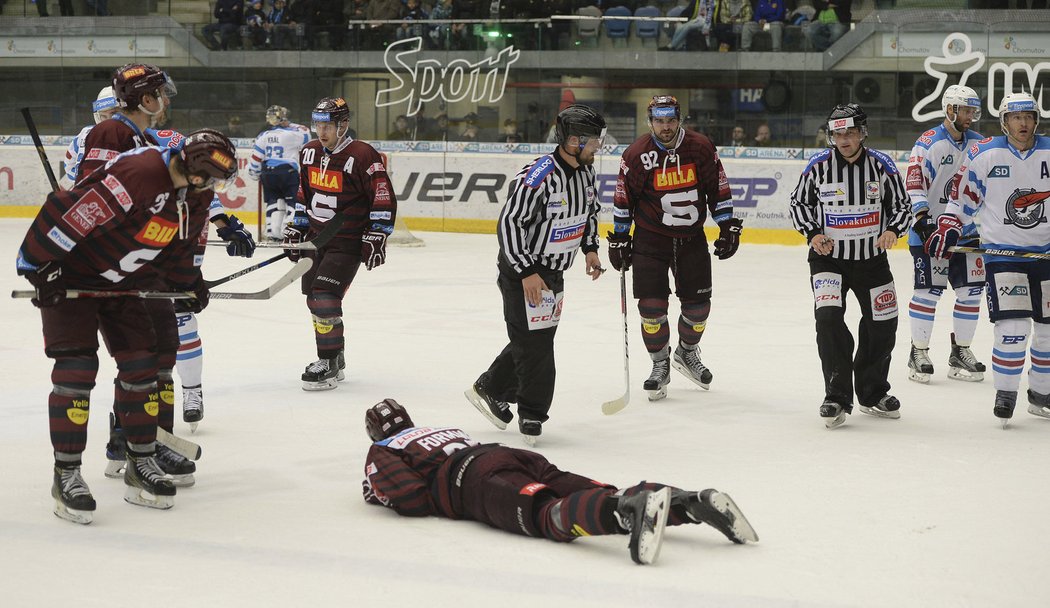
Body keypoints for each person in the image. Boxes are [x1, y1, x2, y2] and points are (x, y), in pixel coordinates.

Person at [15, 129, 239, 524]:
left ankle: (141, 462)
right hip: (73, 276)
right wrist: (39, 266)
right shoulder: (139, 173)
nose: (217, 187)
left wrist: (187, 284)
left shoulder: (196, 196)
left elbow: (178, 248)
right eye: (216, 179)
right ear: (200, 173)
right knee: (76, 372)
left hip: (126, 285)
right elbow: (72, 211)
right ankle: (66, 475)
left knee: (142, 368)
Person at [362, 399, 758, 565]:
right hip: (513, 455)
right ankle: (690, 501)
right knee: (596, 490)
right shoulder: (439, 428)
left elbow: (410, 497)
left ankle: (624, 513)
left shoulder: (383, 448)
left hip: (475, 479)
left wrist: (380, 493)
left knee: (544, 514)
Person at [464, 104, 606, 445]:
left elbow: (589, 211)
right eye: (594, 142)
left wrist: (589, 248)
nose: (598, 147)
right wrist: (526, 272)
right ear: (573, 141)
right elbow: (510, 224)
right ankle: (532, 413)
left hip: (555, 272)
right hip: (522, 270)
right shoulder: (538, 177)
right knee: (536, 345)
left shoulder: (585, 173)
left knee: (535, 340)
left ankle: (491, 387)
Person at [927, 92, 1050, 428]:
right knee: (1013, 329)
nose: (1024, 124)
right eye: (1016, 118)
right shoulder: (984, 153)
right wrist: (950, 227)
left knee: (1048, 333)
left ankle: (1041, 395)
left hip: (1046, 256)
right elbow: (961, 200)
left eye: (1029, 117)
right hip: (1004, 258)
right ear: (1004, 122)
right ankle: (1006, 393)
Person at [607, 96, 741, 401]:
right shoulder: (637, 154)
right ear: (650, 121)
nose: (665, 127)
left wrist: (726, 225)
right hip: (650, 241)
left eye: (670, 120)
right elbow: (623, 199)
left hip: (691, 239)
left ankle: (686, 353)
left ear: (679, 119)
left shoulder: (700, 147)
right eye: (659, 121)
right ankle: (659, 365)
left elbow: (717, 188)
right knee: (652, 311)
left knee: (698, 310)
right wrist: (619, 237)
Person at [789, 103, 912, 429]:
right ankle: (836, 396)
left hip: (872, 261)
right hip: (828, 260)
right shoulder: (817, 167)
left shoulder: (882, 166)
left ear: (862, 133)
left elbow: (902, 206)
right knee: (828, 318)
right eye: (838, 134)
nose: (844, 140)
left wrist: (891, 230)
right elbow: (798, 204)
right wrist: (814, 233)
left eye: (850, 133)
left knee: (883, 324)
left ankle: (872, 392)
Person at [283, 97, 397, 391]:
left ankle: (328, 361)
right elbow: (303, 193)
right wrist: (297, 227)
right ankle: (337, 356)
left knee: (324, 296)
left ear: (343, 125)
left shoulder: (362, 154)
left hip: (347, 241)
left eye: (328, 126)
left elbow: (381, 195)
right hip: (316, 239)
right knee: (313, 298)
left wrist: (378, 232)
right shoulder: (308, 152)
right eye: (318, 125)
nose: (321, 132)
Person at [904, 84, 986, 384]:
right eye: (965, 110)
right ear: (950, 110)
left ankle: (960, 351)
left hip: (966, 232)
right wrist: (924, 220)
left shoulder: (979, 144)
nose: (970, 116)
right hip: (932, 234)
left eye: (972, 110)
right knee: (928, 292)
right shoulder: (929, 143)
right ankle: (918, 351)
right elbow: (914, 184)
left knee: (971, 291)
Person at [249, 105, 312, 240]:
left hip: (268, 174)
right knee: (292, 203)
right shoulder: (292, 134)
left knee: (273, 202)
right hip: (287, 173)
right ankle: (289, 232)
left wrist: (254, 173)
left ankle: (272, 233)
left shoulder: (263, 135)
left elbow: (256, 157)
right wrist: (288, 124)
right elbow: (307, 134)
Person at [61, 86, 119, 189]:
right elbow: (69, 163)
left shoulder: (86, 132)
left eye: (113, 113)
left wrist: (81, 182)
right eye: (103, 116)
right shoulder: (128, 135)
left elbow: (69, 163)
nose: (109, 120)